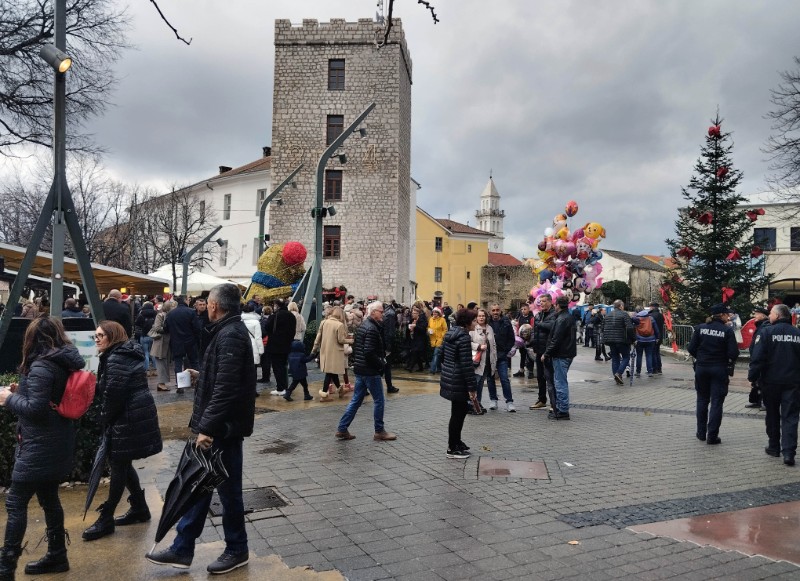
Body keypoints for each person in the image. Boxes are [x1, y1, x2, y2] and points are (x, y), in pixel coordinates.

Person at [146, 283, 256, 575]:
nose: (205, 306)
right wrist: (201, 375)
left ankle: (236, 548)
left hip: (223, 429)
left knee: (225, 491)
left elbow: (226, 388)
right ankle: (184, 548)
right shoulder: (226, 332)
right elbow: (222, 378)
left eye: (208, 302)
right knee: (200, 486)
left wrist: (207, 428)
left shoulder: (231, 334)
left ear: (215, 306)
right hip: (221, 426)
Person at [0, 318, 85, 578]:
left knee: (15, 502)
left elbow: (36, 410)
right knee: (49, 498)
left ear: (32, 339)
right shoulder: (61, 361)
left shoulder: (41, 366)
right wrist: (21, 392)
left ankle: (5, 568)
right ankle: (57, 555)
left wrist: (8, 398)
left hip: (39, 445)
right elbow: (47, 398)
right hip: (57, 440)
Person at [82, 321, 162, 541]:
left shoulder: (116, 358)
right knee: (123, 463)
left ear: (112, 336)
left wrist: (102, 419)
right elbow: (112, 387)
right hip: (132, 415)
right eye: (94, 336)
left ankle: (106, 518)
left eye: (100, 336)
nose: (96, 339)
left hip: (127, 417)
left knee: (118, 465)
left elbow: (114, 395)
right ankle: (139, 508)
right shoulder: (121, 354)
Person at [335, 301, 397, 442]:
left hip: (361, 369)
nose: (383, 314)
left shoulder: (365, 326)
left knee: (356, 400)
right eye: (381, 311)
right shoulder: (371, 328)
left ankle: (342, 428)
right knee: (379, 401)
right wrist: (381, 364)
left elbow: (360, 349)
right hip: (370, 371)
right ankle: (379, 431)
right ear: (373, 312)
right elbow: (369, 352)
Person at [748, 304, 800, 466]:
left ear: (777, 316)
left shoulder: (766, 332)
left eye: (771, 313)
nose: (769, 316)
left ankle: (774, 446)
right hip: (793, 382)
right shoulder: (797, 333)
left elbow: (758, 358)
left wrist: (753, 377)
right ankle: (789, 453)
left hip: (771, 382)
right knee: (790, 416)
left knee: (772, 414)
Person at [688, 304, 739, 445]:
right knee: (717, 402)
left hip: (702, 368)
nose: (729, 316)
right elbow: (733, 353)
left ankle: (700, 433)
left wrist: (702, 357)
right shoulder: (727, 331)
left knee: (702, 400)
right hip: (719, 369)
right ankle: (712, 436)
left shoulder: (700, 328)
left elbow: (691, 348)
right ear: (721, 315)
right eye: (727, 314)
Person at [440, 308, 479, 459]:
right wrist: (472, 388)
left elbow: (443, 354)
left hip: (451, 377)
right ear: (467, 322)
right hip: (459, 380)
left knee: (458, 412)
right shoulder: (463, 338)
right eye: (474, 320)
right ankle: (452, 447)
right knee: (458, 414)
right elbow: (466, 365)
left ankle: (457, 441)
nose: (475, 323)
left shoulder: (450, 334)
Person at [543, 296, 576, 420]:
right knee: (560, 381)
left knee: (560, 382)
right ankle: (561, 408)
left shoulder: (562, 319)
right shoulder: (568, 316)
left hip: (561, 354)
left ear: (557, 305)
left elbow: (556, 339)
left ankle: (562, 410)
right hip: (567, 353)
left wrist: (547, 353)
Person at [313, 306, 352, 402]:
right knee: (330, 373)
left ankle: (340, 390)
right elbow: (341, 340)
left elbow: (318, 337)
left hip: (325, 351)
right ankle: (324, 395)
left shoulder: (324, 322)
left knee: (332, 372)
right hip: (335, 352)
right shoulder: (339, 325)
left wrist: (314, 349)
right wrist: (351, 340)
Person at [165, 296, 201, 394]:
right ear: (185, 301)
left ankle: (180, 385)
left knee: (178, 364)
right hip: (190, 341)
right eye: (188, 300)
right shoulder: (191, 312)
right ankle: (197, 382)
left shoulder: (171, 314)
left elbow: (166, 328)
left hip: (176, 342)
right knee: (194, 362)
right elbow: (197, 328)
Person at [487, 303, 516, 412]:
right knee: (490, 379)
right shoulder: (487, 323)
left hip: (502, 355)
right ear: (490, 311)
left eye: (497, 310)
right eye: (493, 310)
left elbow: (511, 338)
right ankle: (493, 399)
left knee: (504, 379)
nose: (495, 312)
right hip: (489, 356)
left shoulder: (506, 322)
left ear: (500, 311)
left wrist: (505, 351)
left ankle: (509, 401)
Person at [264, 299, 296, 397]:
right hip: (287, 344)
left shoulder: (275, 316)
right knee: (283, 366)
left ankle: (280, 388)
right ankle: (285, 386)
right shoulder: (291, 316)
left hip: (275, 345)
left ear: (277, 306)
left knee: (277, 367)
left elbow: (267, 327)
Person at [531, 295, 557, 410]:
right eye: (540, 301)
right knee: (540, 377)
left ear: (550, 302)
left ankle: (553, 402)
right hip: (538, 350)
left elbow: (552, 327)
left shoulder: (554, 314)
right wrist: (530, 342)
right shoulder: (538, 315)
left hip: (549, 351)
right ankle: (542, 400)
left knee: (550, 378)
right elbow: (534, 332)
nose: (541, 303)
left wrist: (540, 324)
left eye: (544, 301)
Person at [469, 308, 496, 414]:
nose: (481, 318)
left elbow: (493, 345)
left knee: (480, 384)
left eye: (483, 316)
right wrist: (479, 346)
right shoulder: (473, 328)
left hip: (488, 361)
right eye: (479, 316)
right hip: (477, 361)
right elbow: (468, 342)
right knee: (475, 383)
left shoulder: (490, 328)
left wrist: (494, 359)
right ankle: (472, 405)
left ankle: (478, 403)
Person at [603, 300, 634, 385]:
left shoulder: (608, 315)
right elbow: (630, 328)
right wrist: (633, 339)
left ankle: (617, 377)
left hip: (611, 341)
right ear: (621, 306)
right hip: (622, 340)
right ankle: (619, 373)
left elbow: (603, 327)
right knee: (626, 357)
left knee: (615, 359)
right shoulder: (624, 314)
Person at [746, 307, 771, 409]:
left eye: (757, 314)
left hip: (761, 358)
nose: (754, 316)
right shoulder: (760, 326)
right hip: (755, 356)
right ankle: (756, 400)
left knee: (761, 380)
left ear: (763, 315)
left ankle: (764, 402)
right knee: (756, 381)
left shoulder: (765, 327)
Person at [149, 300, 174, 392]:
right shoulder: (160, 315)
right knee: (161, 364)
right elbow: (157, 328)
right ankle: (161, 384)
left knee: (165, 364)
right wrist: (167, 329)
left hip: (166, 343)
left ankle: (162, 383)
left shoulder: (169, 316)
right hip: (160, 343)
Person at [631, 309, 660, 377]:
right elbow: (656, 329)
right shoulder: (651, 319)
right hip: (651, 340)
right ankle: (650, 371)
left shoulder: (637, 319)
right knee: (649, 355)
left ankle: (638, 372)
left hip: (639, 340)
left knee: (639, 356)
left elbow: (631, 320)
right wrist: (657, 337)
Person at [134, 300, 158, 377]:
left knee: (145, 353)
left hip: (144, 336)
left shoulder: (141, 314)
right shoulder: (156, 314)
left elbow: (137, 324)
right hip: (153, 336)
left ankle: (146, 370)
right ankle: (155, 369)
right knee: (153, 353)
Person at [241, 304, 264, 377]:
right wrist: (261, 350)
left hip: (242, 345)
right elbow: (258, 337)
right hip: (253, 346)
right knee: (253, 370)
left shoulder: (240, 321)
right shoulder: (256, 322)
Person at [405, 305, 428, 372]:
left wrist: (415, 326)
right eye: (412, 313)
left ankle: (410, 367)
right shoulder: (412, 320)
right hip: (413, 339)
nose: (412, 315)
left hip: (420, 340)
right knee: (417, 354)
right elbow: (408, 328)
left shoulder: (421, 320)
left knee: (415, 352)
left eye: (414, 313)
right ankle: (421, 368)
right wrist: (409, 328)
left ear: (418, 314)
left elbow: (423, 329)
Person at [513, 303, 535, 377]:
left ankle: (531, 371)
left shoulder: (531, 318)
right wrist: (517, 336)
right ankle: (521, 370)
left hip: (529, 341)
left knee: (530, 356)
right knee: (522, 355)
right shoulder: (520, 318)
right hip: (522, 340)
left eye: (525, 309)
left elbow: (533, 328)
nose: (523, 311)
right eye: (522, 309)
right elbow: (518, 328)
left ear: (528, 309)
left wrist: (529, 338)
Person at [383, 302, 399, 393]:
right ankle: (389, 386)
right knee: (386, 366)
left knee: (382, 367)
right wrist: (388, 347)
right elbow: (390, 332)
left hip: (383, 343)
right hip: (385, 345)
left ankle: (389, 386)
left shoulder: (387, 313)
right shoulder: (390, 314)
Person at [428, 307, 448, 374]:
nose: (434, 313)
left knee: (435, 354)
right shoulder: (431, 319)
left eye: (436, 312)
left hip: (440, 340)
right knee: (438, 355)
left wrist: (442, 337)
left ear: (439, 313)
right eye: (434, 312)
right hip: (432, 339)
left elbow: (445, 329)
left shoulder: (442, 320)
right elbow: (428, 327)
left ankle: (432, 369)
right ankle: (439, 368)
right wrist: (429, 330)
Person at [648, 302, 666, 374]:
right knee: (657, 352)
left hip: (653, 336)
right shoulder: (661, 315)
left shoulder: (650, 315)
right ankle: (659, 368)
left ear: (652, 307)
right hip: (660, 336)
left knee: (653, 353)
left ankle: (654, 369)